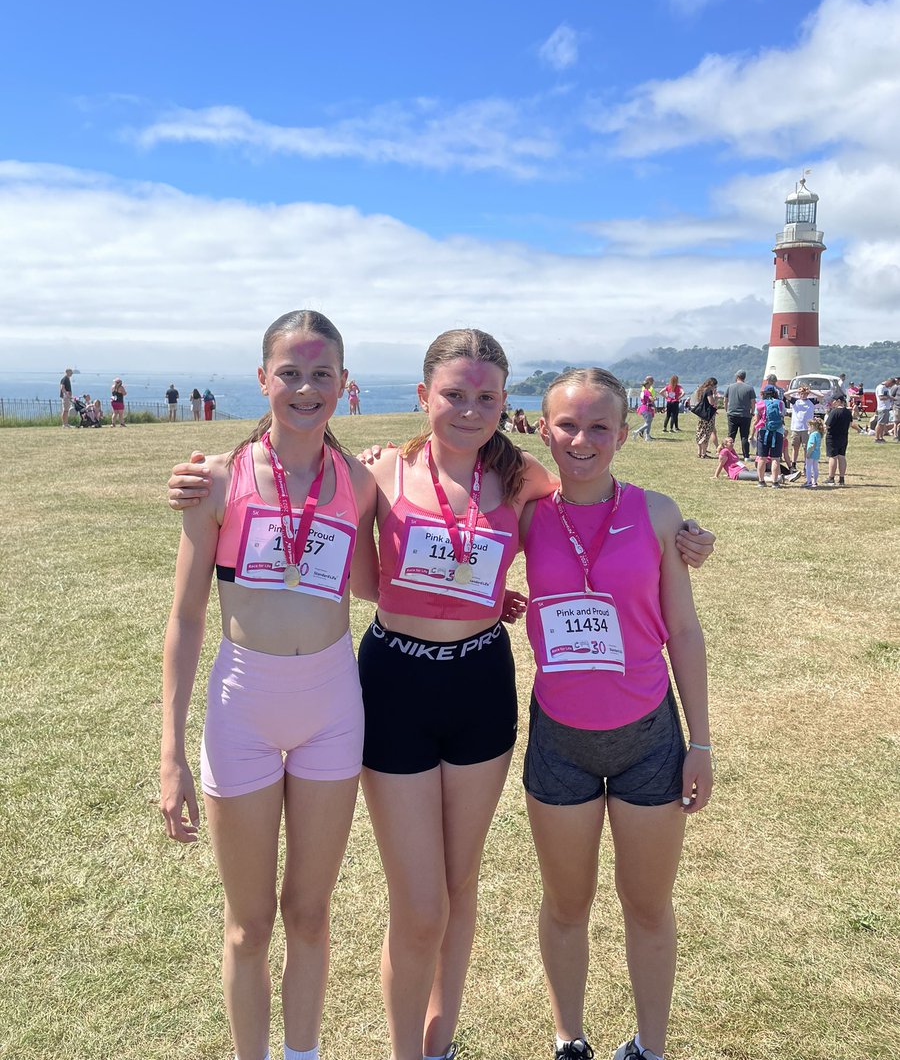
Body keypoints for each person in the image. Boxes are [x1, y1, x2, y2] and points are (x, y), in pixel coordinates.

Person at [166, 329, 715, 1060]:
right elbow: (356, 576)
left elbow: (591, 498)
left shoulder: (523, 480)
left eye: (487, 396)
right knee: (420, 905)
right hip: (394, 680)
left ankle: (440, 1045)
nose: (470, 408)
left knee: (458, 891)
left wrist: (684, 533)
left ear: (505, 403)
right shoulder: (380, 473)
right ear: (425, 396)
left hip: (481, 682)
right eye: (454, 394)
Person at [159, 310, 378, 1060]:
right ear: (262, 380)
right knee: (249, 926)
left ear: (344, 386)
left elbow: (385, 582)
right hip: (242, 707)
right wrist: (170, 754)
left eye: (322, 374)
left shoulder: (360, 481)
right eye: (290, 372)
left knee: (310, 916)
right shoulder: (219, 481)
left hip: (330, 708)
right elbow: (186, 620)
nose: (306, 387)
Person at [521, 368, 712, 1060]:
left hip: (649, 740)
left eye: (600, 425)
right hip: (560, 741)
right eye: (567, 424)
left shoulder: (659, 514)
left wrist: (703, 745)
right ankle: (569, 1039)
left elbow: (684, 632)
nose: (581, 439)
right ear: (543, 430)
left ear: (624, 434)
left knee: (648, 907)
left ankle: (650, 1049)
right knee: (567, 906)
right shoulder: (526, 511)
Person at [752, 386, 785, 488]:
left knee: (762, 458)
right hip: (778, 432)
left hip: (763, 432)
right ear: (775, 392)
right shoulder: (780, 403)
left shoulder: (760, 403)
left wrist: (752, 433)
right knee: (775, 458)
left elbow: (756, 420)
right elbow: (783, 415)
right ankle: (775, 482)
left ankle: (761, 481)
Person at [722, 371, 756, 461]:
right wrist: (752, 411)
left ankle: (728, 453)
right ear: (744, 377)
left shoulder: (730, 387)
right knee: (744, 436)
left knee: (731, 435)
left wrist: (727, 410)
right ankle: (746, 456)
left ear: (737, 376)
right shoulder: (750, 388)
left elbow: (725, 400)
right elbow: (753, 402)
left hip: (732, 414)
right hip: (745, 415)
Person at [823, 393, 853, 486]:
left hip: (833, 437)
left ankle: (831, 478)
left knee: (833, 457)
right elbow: (850, 424)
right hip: (843, 436)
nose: (832, 402)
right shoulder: (848, 412)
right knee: (842, 457)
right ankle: (842, 478)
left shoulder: (834, 412)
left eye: (834, 401)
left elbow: (827, 425)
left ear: (839, 401)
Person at [787, 384, 816, 468]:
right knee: (795, 447)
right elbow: (786, 394)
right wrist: (797, 390)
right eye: (801, 393)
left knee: (806, 448)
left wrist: (810, 391)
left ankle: (806, 464)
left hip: (807, 429)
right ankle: (793, 464)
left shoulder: (811, 401)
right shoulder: (795, 401)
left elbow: (822, 396)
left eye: (804, 393)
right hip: (796, 428)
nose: (802, 395)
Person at [689, 378, 718, 459]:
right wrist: (715, 396)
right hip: (708, 415)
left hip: (701, 414)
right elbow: (711, 402)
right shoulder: (709, 390)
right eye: (715, 386)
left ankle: (699, 452)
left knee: (700, 432)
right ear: (712, 385)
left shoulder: (701, 390)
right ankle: (704, 454)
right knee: (706, 433)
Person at [873, 377, 897, 442]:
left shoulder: (886, 388)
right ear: (889, 382)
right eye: (891, 385)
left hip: (886, 408)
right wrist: (890, 397)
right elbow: (881, 397)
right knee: (880, 423)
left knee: (883, 424)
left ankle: (881, 437)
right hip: (882, 408)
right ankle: (876, 438)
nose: (891, 386)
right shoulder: (881, 387)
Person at [632, 377, 655, 442]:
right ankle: (637, 431)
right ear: (647, 385)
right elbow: (651, 399)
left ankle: (647, 437)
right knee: (648, 423)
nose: (650, 385)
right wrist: (654, 399)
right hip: (646, 408)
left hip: (644, 408)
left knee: (648, 423)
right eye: (649, 384)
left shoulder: (643, 392)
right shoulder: (647, 391)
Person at [803, 417, 824, 488]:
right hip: (817, 453)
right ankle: (814, 481)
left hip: (811, 453)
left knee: (808, 467)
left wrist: (808, 453)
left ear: (812, 426)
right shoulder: (819, 434)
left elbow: (812, 445)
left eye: (809, 427)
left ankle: (809, 481)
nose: (808, 428)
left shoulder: (813, 435)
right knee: (815, 468)